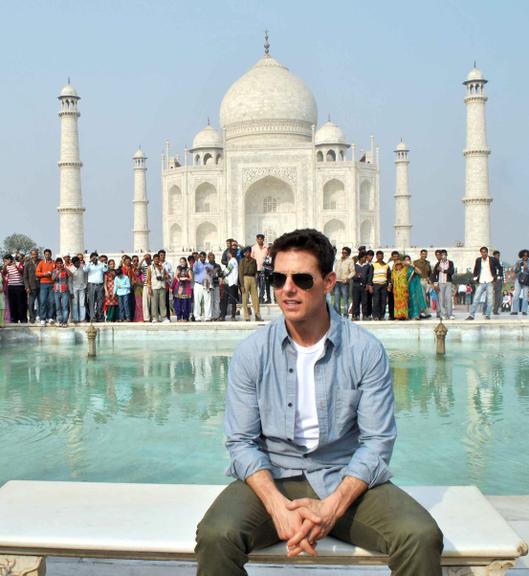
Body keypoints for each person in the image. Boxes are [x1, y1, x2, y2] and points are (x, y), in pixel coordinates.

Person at [195, 228, 443, 576]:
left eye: (302, 279)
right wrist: (276, 506)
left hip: (343, 474)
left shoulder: (364, 350)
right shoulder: (253, 352)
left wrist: (332, 507)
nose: (288, 289)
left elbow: (377, 442)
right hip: (274, 472)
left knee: (420, 536)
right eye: (278, 279)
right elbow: (241, 442)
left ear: (328, 283)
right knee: (216, 536)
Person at [466, 246, 499, 321]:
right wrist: (475, 277)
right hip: (481, 281)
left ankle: (487, 315)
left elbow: (499, 268)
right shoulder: (478, 260)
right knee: (476, 299)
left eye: (485, 252)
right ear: (480, 253)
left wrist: (497, 277)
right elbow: (475, 269)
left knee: (490, 300)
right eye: (482, 252)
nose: (483, 253)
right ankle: (471, 315)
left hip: (489, 281)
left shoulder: (492, 260)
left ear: (487, 252)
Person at [238, 246, 262, 322]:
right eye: (246, 252)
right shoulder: (242, 261)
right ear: (244, 254)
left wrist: (256, 279)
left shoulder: (254, 261)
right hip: (245, 278)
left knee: (255, 298)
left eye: (249, 252)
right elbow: (240, 273)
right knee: (245, 298)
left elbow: (255, 271)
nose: (247, 253)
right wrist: (242, 285)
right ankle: (246, 316)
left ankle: (257, 314)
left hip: (252, 278)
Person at [2, 254, 27, 323]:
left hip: (20, 286)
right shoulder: (6, 267)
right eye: (4, 261)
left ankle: (22, 319)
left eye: (6, 260)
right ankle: (14, 319)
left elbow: (22, 272)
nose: (5, 262)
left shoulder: (19, 264)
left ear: (10, 259)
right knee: (12, 304)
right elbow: (3, 273)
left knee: (21, 304)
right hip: (11, 287)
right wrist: (5, 265)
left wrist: (15, 266)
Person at [431, 250, 455, 320]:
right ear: (440, 256)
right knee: (441, 299)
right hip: (440, 283)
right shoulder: (438, 264)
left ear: (447, 255)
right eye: (442, 255)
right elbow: (434, 274)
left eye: (445, 255)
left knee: (448, 299)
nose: (443, 256)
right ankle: (443, 314)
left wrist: (442, 270)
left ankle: (450, 314)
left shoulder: (450, 263)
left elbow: (451, 272)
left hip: (448, 283)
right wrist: (435, 284)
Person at [85, 252, 108, 322]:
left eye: (96, 257)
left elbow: (105, 269)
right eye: (93, 258)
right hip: (91, 285)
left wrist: (102, 262)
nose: (95, 259)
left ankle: (100, 317)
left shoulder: (101, 264)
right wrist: (90, 261)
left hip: (100, 285)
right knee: (91, 302)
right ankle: (93, 317)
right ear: (91, 258)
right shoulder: (89, 265)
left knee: (100, 302)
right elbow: (85, 270)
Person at [351, 251, 373, 321]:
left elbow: (370, 276)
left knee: (365, 301)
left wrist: (368, 284)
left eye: (366, 257)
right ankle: (355, 315)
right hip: (356, 286)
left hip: (364, 286)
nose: (366, 259)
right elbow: (351, 275)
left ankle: (365, 315)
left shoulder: (368, 266)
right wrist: (356, 276)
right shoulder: (354, 265)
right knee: (356, 301)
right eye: (364, 257)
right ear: (360, 257)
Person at [404, 255, 427, 320]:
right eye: (406, 260)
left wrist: (413, 266)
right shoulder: (402, 268)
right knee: (406, 301)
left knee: (414, 300)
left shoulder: (412, 268)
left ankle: (416, 315)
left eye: (408, 260)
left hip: (413, 287)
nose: (407, 261)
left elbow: (420, 272)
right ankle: (407, 314)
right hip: (405, 287)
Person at [36, 248, 55, 326]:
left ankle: (50, 317)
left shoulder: (54, 263)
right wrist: (44, 274)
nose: (47, 256)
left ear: (51, 254)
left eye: (48, 254)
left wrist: (52, 274)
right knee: (43, 301)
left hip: (52, 284)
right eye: (46, 254)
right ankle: (43, 318)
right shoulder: (41, 263)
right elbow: (37, 273)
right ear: (44, 255)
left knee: (51, 302)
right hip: (43, 284)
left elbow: (57, 271)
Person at [333, 247, 354, 317]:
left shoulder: (350, 261)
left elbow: (353, 272)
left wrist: (348, 278)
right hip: (337, 282)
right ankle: (337, 315)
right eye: (342, 252)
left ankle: (345, 314)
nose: (343, 254)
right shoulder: (339, 261)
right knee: (336, 300)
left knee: (345, 300)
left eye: (345, 253)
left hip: (344, 283)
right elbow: (335, 271)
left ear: (348, 254)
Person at [148, 253, 168, 323]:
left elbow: (167, 276)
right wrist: (149, 288)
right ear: (153, 260)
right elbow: (148, 279)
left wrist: (163, 277)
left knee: (162, 303)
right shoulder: (150, 267)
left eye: (158, 259)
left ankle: (164, 317)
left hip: (162, 286)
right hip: (154, 287)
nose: (156, 260)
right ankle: (154, 318)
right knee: (154, 303)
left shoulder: (162, 267)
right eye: (155, 259)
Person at [52, 257, 72, 327]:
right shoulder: (54, 271)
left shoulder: (65, 270)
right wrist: (59, 272)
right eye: (58, 263)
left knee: (65, 307)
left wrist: (65, 268)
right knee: (58, 307)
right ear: (56, 264)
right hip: (56, 290)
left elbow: (71, 275)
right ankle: (60, 320)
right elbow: (53, 279)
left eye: (61, 263)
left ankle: (65, 321)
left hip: (64, 290)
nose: (59, 265)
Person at [370, 251, 390, 321]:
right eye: (379, 256)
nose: (380, 257)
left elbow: (389, 276)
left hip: (384, 285)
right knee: (376, 301)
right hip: (376, 285)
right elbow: (370, 276)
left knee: (383, 301)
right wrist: (370, 286)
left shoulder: (386, 265)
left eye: (381, 256)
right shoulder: (373, 265)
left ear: (383, 256)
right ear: (376, 257)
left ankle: (382, 316)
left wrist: (389, 285)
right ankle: (375, 316)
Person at [193, 251, 212, 322]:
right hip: (198, 284)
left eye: (204, 257)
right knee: (197, 301)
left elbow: (211, 274)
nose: (203, 258)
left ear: (205, 257)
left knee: (207, 301)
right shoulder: (196, 264)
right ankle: (197, 317)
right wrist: (197, 262)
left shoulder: (209, 265)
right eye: (201, 257)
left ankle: (208, 317)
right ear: (199, 257)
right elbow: (195, 270)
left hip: (206, 284)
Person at [220, 248, 238, 321]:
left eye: (228, 253)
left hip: (231, 283)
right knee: (226, 299)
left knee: (230, 300)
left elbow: (227, 271)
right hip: (231, 283)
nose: (227, 254)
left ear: (230, 253)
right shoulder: (234, 261)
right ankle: (225, 315)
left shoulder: (232, 261)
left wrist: (221, 274)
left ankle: (230, 316)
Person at [23, 249, 40, 324]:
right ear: (31, 255)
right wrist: (27, 287)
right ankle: (32, 318)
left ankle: (42, 317)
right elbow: (25, 277)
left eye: (36, 254)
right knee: (31, 303)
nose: (34, 256)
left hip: (41, 285)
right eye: (33, 254)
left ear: (37, 254)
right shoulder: (27, 264)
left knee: (42, 303)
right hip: (31, 287)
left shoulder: (41, 262)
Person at [413, 249, 432, 314]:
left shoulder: (428, 263)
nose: (424, 255)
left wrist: (430, 280)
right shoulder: (416, 262)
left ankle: (423, 311)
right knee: (422, 297)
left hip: (426, 281)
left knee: (426, 297)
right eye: (423, 254)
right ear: (420, 254)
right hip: (420, 280)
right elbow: (413, 272)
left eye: (425, 254)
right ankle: (423, 312)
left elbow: (429, 273)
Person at [511, 249, 529, 315]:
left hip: (526, 280)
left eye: (526, 255)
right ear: (521, 255)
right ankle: (515, 311)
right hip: (518, 279)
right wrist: (518, 267)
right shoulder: (518, 261)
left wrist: (526, 267)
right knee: (516, 295)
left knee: (525, 296)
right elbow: (515, 271)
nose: (525, 257)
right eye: (524, 255)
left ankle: (524, 311)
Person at [251, 234, 268, 304]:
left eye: (261, 239)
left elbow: (268, 257)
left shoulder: (266, 247)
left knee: (262, 285)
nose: (260, 240)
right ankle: (255, 298)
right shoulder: (254, 248)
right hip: (255, 270)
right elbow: (252, 258)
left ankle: (261, 298)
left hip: (263, 269)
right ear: (256, 240)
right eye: (258, 239)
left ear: (263, 239)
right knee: (255, 285)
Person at [70, 256, 87, 323]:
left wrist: (85, 285)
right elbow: (69, 281)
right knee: (75, 304)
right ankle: (76, 319)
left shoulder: (83, 267)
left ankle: (82, 319)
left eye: (78, 262)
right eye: (76, 263)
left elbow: (86, 276)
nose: (78, 264)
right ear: (73, 263)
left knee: (82, 304)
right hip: (74, 288)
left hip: (82, 288)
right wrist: (71, 291)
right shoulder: (71, 269)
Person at [207, 252, 222, 321]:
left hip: (216, 284)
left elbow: (221, 274)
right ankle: (211, 316)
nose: (211, 258)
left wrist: (217, 275)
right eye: (210, 257)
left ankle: (217, 315)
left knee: (216, 300)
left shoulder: (218, 266)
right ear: (208, 258)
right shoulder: (206, 266)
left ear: (214, 257)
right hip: (209, 285)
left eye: (212, 257)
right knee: (210, 301)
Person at [140, 254, 152, 322]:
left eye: (148, 258)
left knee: (152, 303)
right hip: (145, 285)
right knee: (145, 303)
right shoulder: (144, 266)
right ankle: (146, 318)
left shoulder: (153, 266)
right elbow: (138, 267)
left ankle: (152, 317)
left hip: (153, 285)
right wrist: (143, 259)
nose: (147, 260)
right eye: (146, 259)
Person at [492, 250, 504, 315]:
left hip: (499, 281)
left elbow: (502, 272)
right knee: (489, 296)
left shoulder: (500, 263)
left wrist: (502, 280)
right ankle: (485, 310)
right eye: (497, 255)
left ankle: (495, 310)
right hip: (493, 280)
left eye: (499, 255)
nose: (498, 256)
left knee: (498, 296)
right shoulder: (491, 262)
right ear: (494, 255)